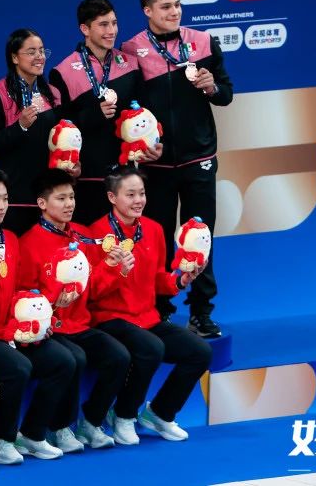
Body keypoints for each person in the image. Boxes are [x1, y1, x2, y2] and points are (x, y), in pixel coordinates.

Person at [121, 0, 233, 338]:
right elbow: (127, 112)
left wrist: (211, 86)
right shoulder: (131, 50)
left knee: (200, 237)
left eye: (178, 5)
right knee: (156, 241)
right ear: (148, 11)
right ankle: (160, 311)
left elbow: (226, 94)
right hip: (155, 165)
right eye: (166, 6)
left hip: (198, 157)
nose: (175, 11)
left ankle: (201, 312)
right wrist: (138, 147)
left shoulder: (203, 42)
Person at [0, 168, 78, 463]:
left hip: (10, 331)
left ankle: (32, 434)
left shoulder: (10, 239)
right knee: (18, 368)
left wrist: (36, 320)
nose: (1, 206)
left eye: (5, 199)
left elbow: (20, 290)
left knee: (64, 361)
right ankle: (2, 440)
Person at [89, 165, 211, 445]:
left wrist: (181, 280)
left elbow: (158, 279)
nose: (138, 200)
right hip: (110, 318)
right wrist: (117, 271)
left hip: (147, 317)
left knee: (200, 352)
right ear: (112, 197)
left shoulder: (154, 229)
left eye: (141, 194)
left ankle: (159, 413)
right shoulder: (98, 234)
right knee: (151, 348)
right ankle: (123, 415)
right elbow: (92, 292)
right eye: (130, 194)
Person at [18, 168, 132, 449]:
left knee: (119, 356)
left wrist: (113, 268)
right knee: (74, 359)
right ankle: (59, 428)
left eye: (71, 197)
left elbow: (93, 290)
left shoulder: (83, 235)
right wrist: (52, 302)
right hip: (50, 329)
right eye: (61, 198)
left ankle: (90, 422)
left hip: (80, 324)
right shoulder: (28, 243)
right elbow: (24, 297)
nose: (69, 204)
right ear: (42, 203)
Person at [50, 0, 155, 226]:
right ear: (85, 29)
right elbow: (59, 129)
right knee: (93, 240)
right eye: (103, 25)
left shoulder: (130, 63)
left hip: (127, 175)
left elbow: (146, 112)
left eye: (114, 23)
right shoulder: (63, 72)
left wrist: (153, 143)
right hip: (88, 177)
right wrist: (93, 115)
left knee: (129, 241)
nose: (112, 31)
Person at [0, 28, 69, 235]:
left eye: (42, 51)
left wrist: (69, 161)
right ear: (14, 57)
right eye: (31, 52)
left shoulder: (53, 94)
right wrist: (20, 126)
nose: (39, 57)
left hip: (47, 197)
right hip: (14, 198)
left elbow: (60, 140)